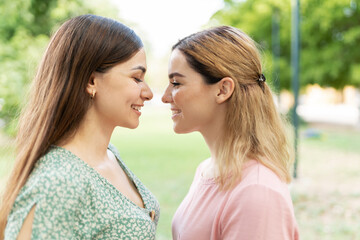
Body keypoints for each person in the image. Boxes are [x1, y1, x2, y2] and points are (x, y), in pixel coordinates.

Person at [0, 14, 160, 239]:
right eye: (136, 78)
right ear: (91, 81)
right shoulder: (59, 182)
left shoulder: (110, 155)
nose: (148, 93)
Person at [162, 26, 299, 240]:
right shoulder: (207, 169)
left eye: (176, 83)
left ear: (223, 89)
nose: (165, 96)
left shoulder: (257, 193)